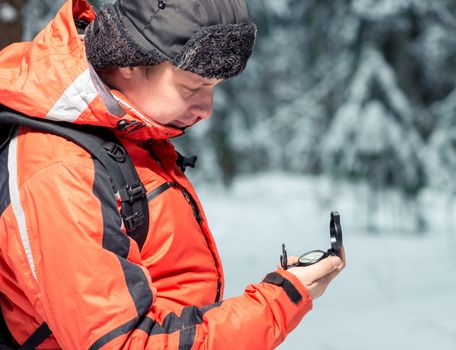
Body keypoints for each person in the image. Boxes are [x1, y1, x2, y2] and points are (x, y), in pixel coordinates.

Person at [0, 0, 345, 348]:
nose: (207, 109)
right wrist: (274, 306)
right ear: (129, 61)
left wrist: (282, 293)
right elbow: (127, 343)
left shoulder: (123, 127)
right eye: (191, 87)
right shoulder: (61, 170)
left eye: (215, 87)